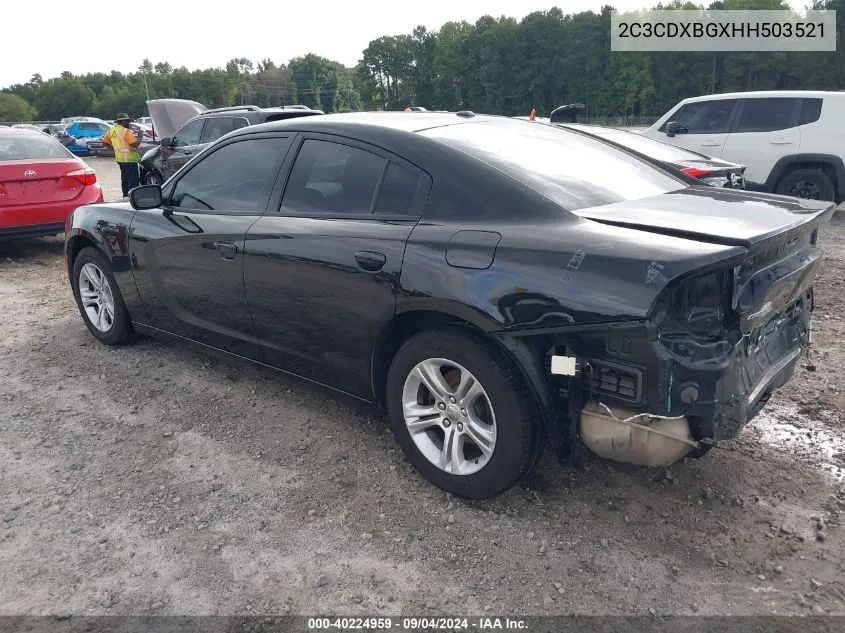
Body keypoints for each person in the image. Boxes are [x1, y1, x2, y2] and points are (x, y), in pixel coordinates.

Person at [102, 113, 142, 197]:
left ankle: (125, 196)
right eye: (128, 121)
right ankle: (133, 198)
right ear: (124, 122)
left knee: (125, 179)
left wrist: (115, 149)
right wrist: (140, 136)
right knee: (133, 181)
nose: (129, 123)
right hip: (130, 159)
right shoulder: (125, 131)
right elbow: (135, 145)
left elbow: (104, 143)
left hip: (120, 159)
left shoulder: (111, 130)